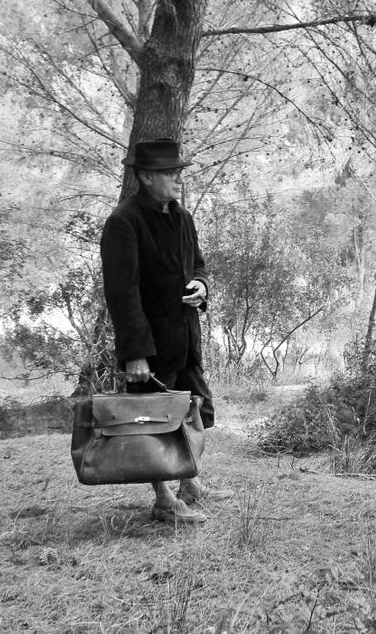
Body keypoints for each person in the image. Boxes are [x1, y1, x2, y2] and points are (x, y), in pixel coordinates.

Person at [100, 137, 234, 524]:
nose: (178, 178)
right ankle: (164, 500)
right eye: (170, 173)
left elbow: (200, 265)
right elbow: (121, 295)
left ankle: (189, 482)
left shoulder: (182, 217)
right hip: (152, 345)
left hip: (186, 337)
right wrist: (134, 352)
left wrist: (201, 285)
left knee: (196, 413)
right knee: (157, 422)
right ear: (145, 177)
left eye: (178, 172)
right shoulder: (123, 222)